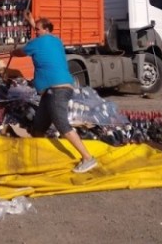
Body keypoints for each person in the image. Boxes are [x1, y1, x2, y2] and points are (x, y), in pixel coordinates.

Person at [12, 11, 98, 173]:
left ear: (45, 30)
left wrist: (13, 52)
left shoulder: (36, 43)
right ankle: (40, 158)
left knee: (61, 124)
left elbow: (21, 52)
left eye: (37, 29)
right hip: (51, 91)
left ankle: (88, 158)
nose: (35, 31)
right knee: (38, 127)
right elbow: (42, 37)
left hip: (56, 90)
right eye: (35, 29)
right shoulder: (56, 40)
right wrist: (32, 23)